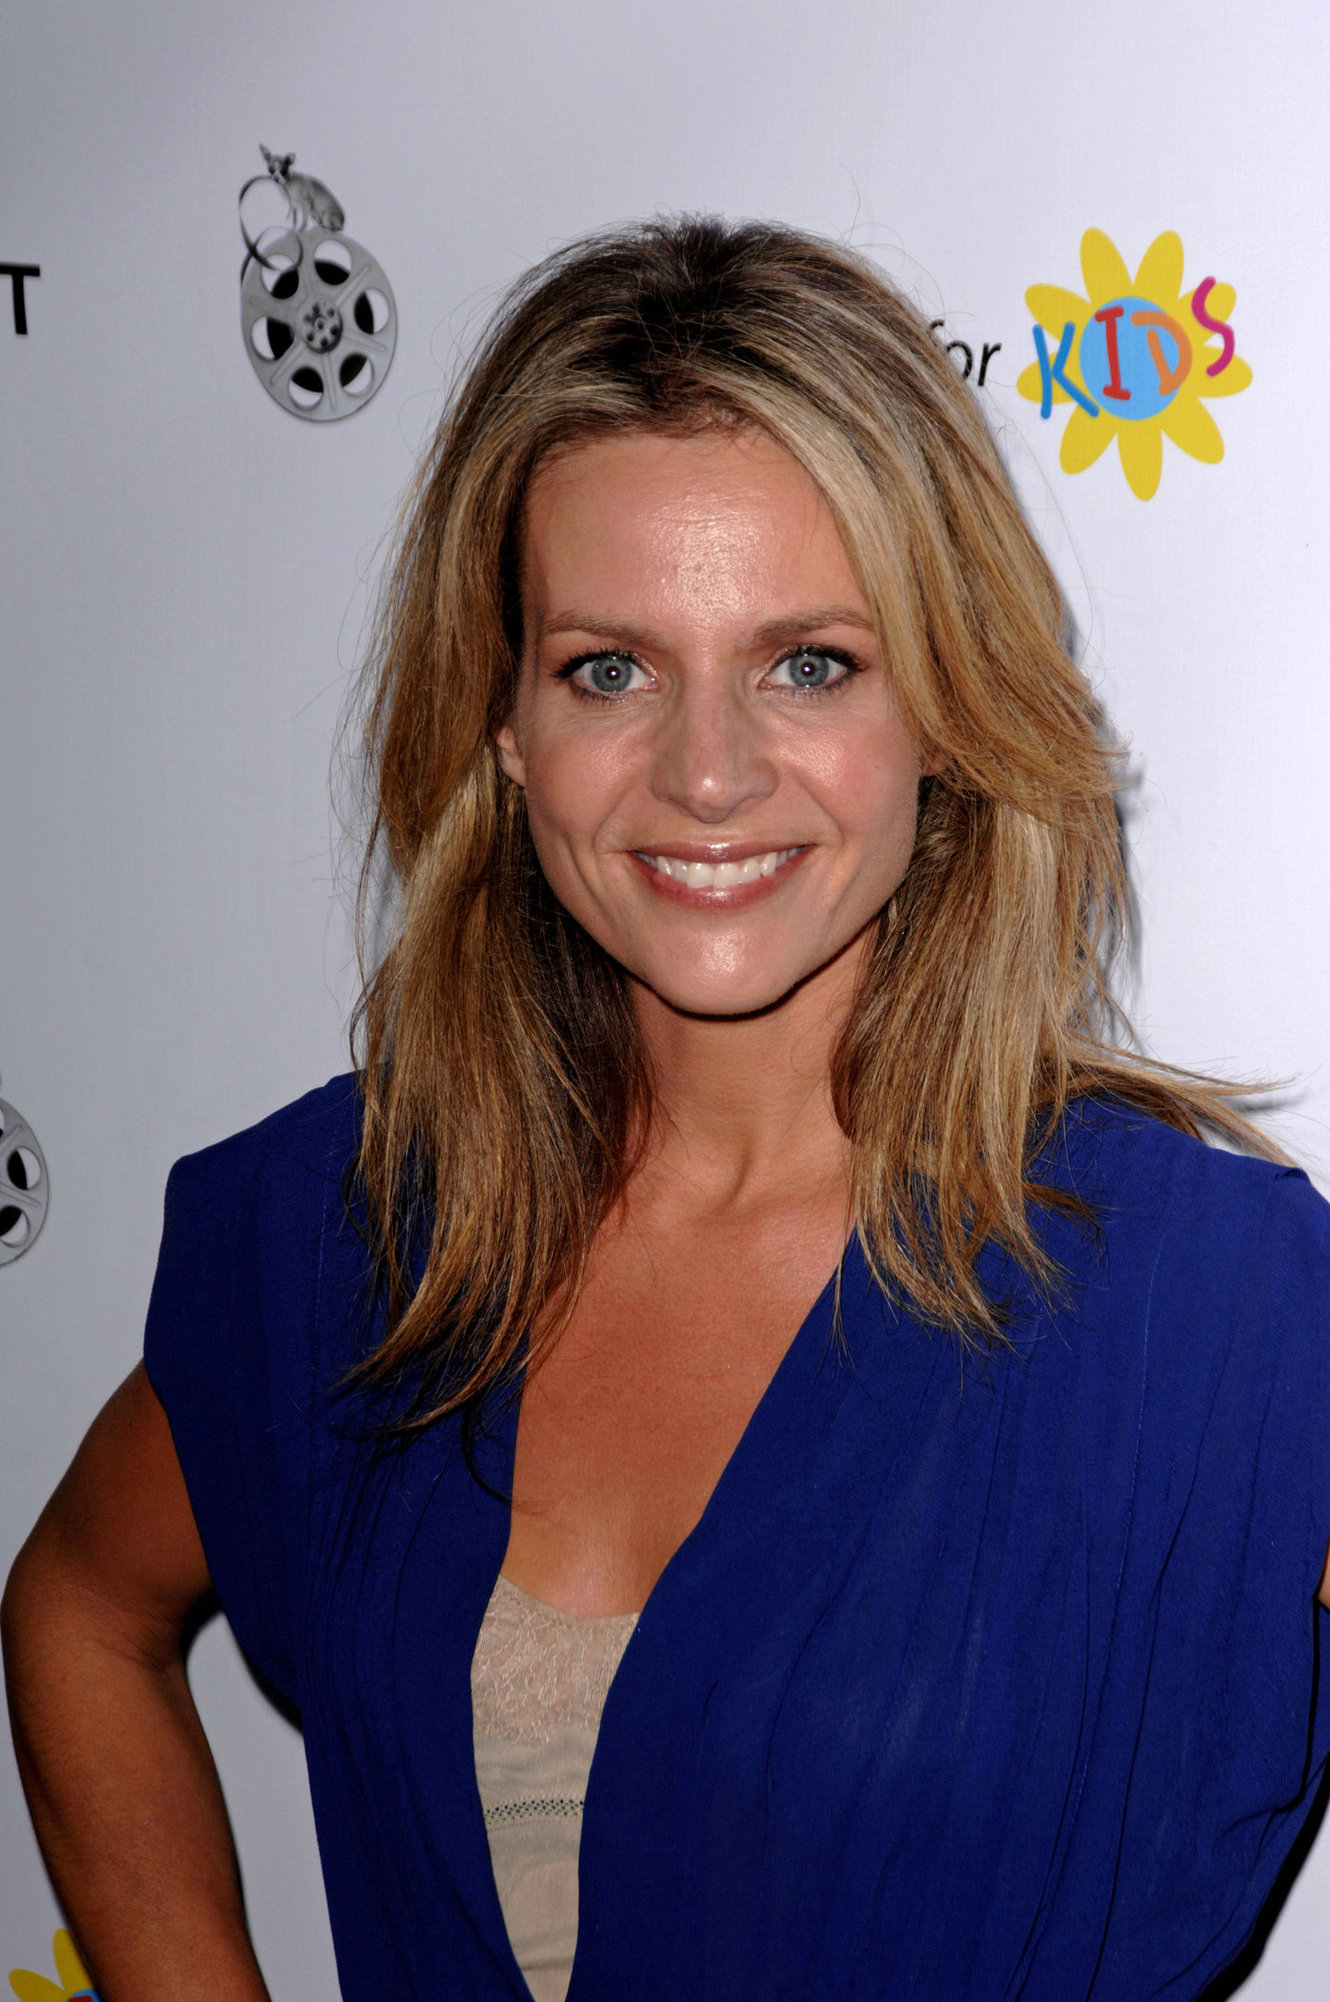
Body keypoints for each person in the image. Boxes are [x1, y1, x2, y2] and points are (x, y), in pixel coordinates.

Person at [4, 216, 1328, 2002]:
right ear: (503, 724)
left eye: (809, 662)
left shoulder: (1210, 1308)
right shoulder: (350, 1231)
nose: (707, 772)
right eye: (607, 668)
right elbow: (79, 1608)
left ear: (944, 707)